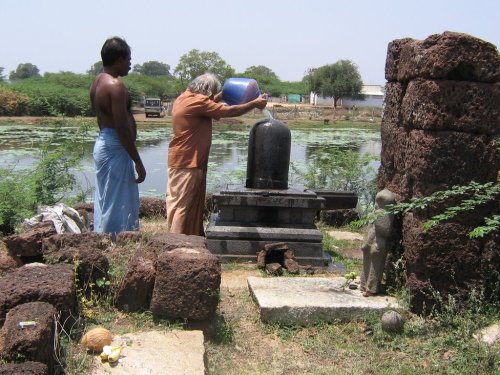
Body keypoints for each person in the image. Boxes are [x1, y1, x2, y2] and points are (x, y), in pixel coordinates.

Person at [167, 73, 267, 236]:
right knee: (183, 206)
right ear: (206, 91)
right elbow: (229, 111)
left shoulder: (185, 98)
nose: (213, 96)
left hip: (186, 161)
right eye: (212, 92)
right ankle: (175, 243)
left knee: (190, 204)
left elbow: (209, 103)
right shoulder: (198, 102)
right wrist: (254, 103)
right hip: (188, 162)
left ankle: (191, 239)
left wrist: (223, 94)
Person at [90, 37, 146, 240]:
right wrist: (138, 161)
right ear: (119, 59)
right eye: (128, 59)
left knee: (107, 196)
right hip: (115, 146)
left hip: (104, 140)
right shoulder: (115, 85)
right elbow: (121, 127)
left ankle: (104, 237)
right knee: (117, 199)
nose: (130, 63)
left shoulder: (97, 82)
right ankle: (115, 241)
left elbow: (100, 119)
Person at [360, 189, 399, 296]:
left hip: (378, 242)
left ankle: (371, 288)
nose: (376, 205)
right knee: (366, 251)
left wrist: (377, 218)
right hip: (370, 240)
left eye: (379, 202)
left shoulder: (385, 213)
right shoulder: (374, 212)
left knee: (375, 258)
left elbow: (386, 230)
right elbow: (369, 228)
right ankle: (363, 284)